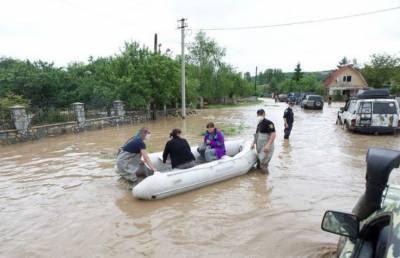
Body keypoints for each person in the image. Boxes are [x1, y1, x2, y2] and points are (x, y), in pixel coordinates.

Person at [251, 109, 276, 173]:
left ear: (264, 114)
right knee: (259, 163)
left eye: (261, 114)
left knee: (264, 164)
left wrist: (268, 145)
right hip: (259, 147)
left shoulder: (269, 123)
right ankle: (259, 180)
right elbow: (257, 134)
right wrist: (253, 143)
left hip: (266, 146)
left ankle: (264, 180)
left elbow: (273, 134)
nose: (259, 116)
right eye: (258, 114)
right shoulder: (259, 123)